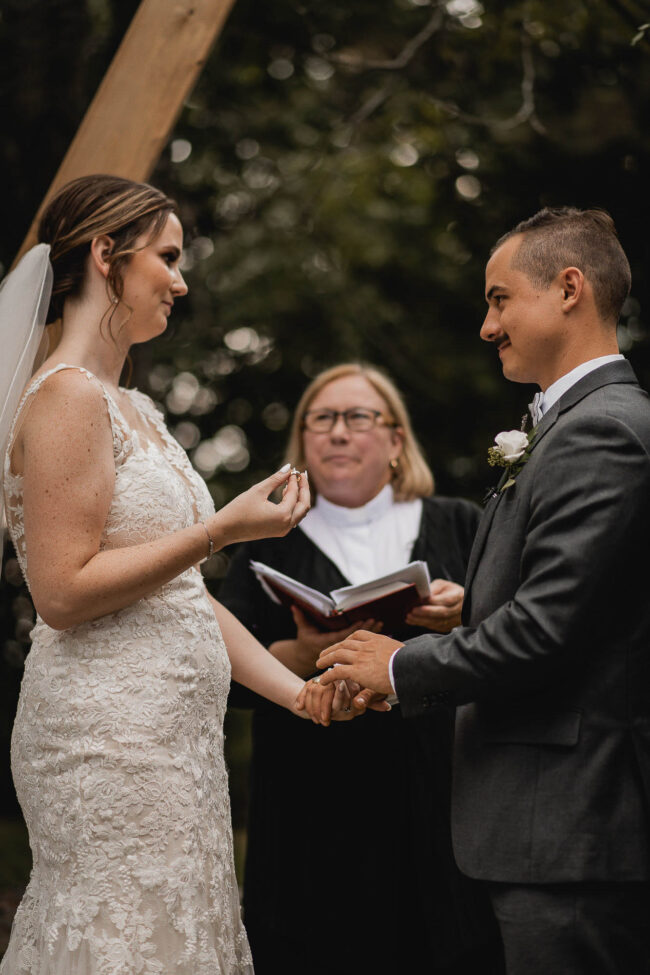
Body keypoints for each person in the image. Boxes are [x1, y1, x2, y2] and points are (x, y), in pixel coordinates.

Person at [0, 174, 357, 974]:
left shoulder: (138, 409)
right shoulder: (64, 398)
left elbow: (181, 602)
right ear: (104, 254)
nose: (180, 279)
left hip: (176, 742)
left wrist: (297, 693)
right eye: (166, 256)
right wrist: (220, 528)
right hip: (107, 737)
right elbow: (60, 591)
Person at [316, 209, 650, 973]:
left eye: (500, 299)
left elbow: (546, 629)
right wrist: (474, 605)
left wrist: (400, 666)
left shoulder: (603, 430)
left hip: (576, 826)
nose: (486, 326)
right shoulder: (571, 425)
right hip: (549, 828)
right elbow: (594, 600)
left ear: (570, 288)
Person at [220, 363, 504, 974]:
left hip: (440, 801)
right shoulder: (266, 541)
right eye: (321, 420)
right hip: (309, 809)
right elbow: (221, 672)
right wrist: (297, 654)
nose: (338, 433)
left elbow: (515, 643)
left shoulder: (459, 523)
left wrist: (466, 612)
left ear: (397, 441)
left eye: (357, 417)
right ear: (302, 442)